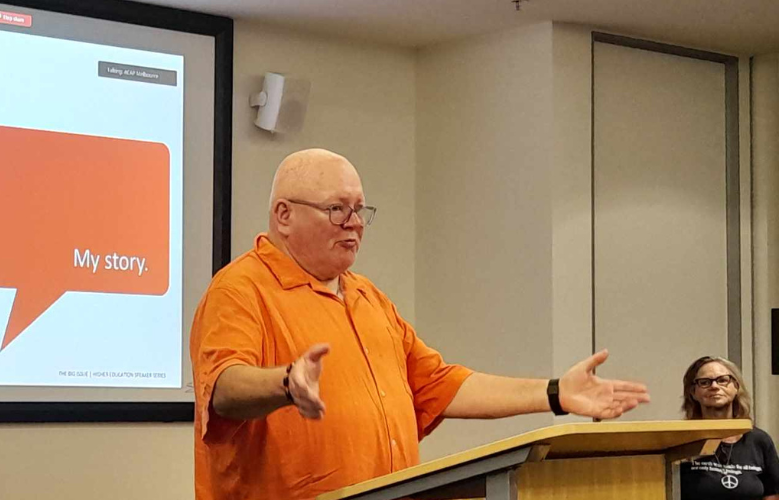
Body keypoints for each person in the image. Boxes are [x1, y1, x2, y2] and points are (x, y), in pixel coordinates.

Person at [190, 149, 652, 500]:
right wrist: (286, 384)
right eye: (336, 210)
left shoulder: (367, 297)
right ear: (284, 215)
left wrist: (554, 393)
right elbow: (223, 388)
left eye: (360, 210)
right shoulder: (240, 289)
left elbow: (440, 385)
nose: (354, 224)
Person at [679, 356, 779, 500]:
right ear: (693, 392)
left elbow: (772, 493)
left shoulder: (759, 440)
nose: (714, 386)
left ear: (736, 387)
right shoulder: (682, 439)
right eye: (705, 382)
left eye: (722, 380)